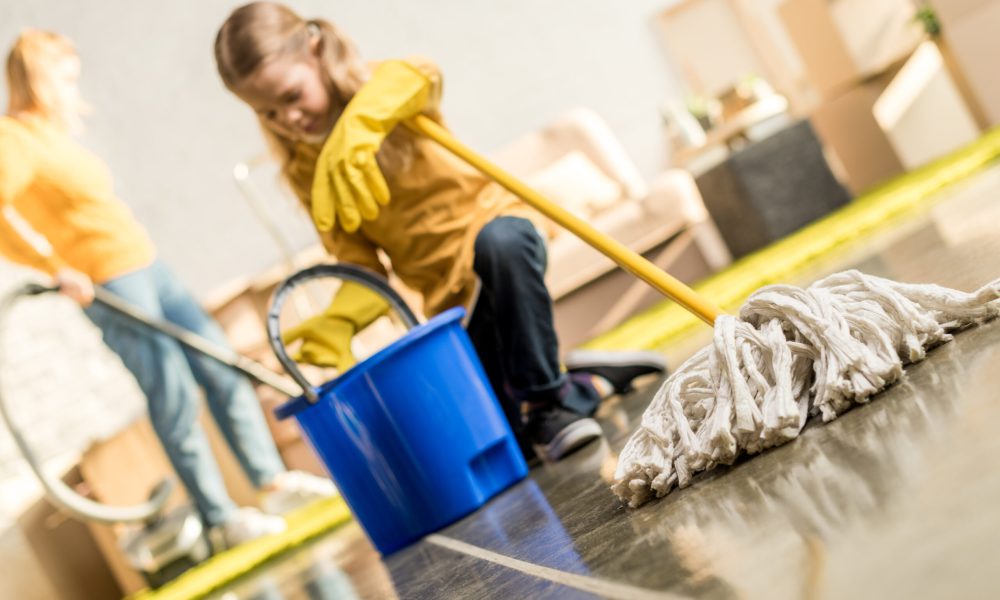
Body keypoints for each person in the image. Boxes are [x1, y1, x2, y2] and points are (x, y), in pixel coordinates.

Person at [214, 3, 667, 462]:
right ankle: (582, 382)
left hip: (501, 237)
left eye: (291, 97)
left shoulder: (382, 91)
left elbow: (423, 74)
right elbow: (361, 263)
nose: (287, 119)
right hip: (452, 301)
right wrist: (342, 317)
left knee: (501, 246)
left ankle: (550, 400)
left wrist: (365, 122)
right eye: (268, 113)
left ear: (314, 50)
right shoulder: (305, 168)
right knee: (509, 439)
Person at [0, 29, 336, 548]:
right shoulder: (15, 138)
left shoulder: (54, 134)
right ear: (40, 77)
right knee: (172, 393)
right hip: (108, 280)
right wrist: (53, 266)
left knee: (220, 364)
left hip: (149, 264)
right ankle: (222, 518)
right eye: (65, 78)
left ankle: (272, 483)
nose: (73, 89)